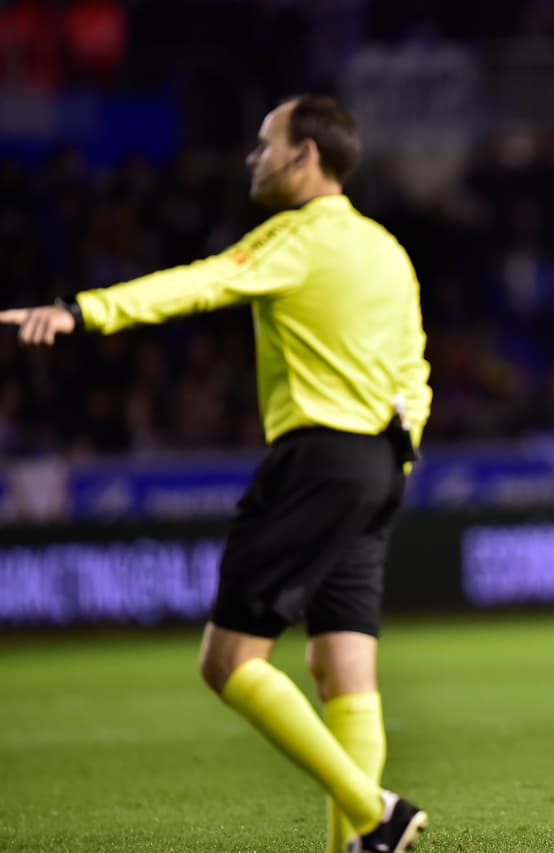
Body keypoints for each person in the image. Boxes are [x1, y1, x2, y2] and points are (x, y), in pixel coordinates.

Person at [1, 94, 430, 853]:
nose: (252, 158)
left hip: (318, 459)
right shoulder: (386, 249)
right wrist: (401, 451)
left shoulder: (296, 237)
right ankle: (362, 841)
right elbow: (414, 370)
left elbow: (198, 283)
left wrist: (85, 310)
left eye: (265, 145)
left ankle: (375, 813)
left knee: (228, 659)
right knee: (344, 672)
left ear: (306, 156)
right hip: (381, 464)